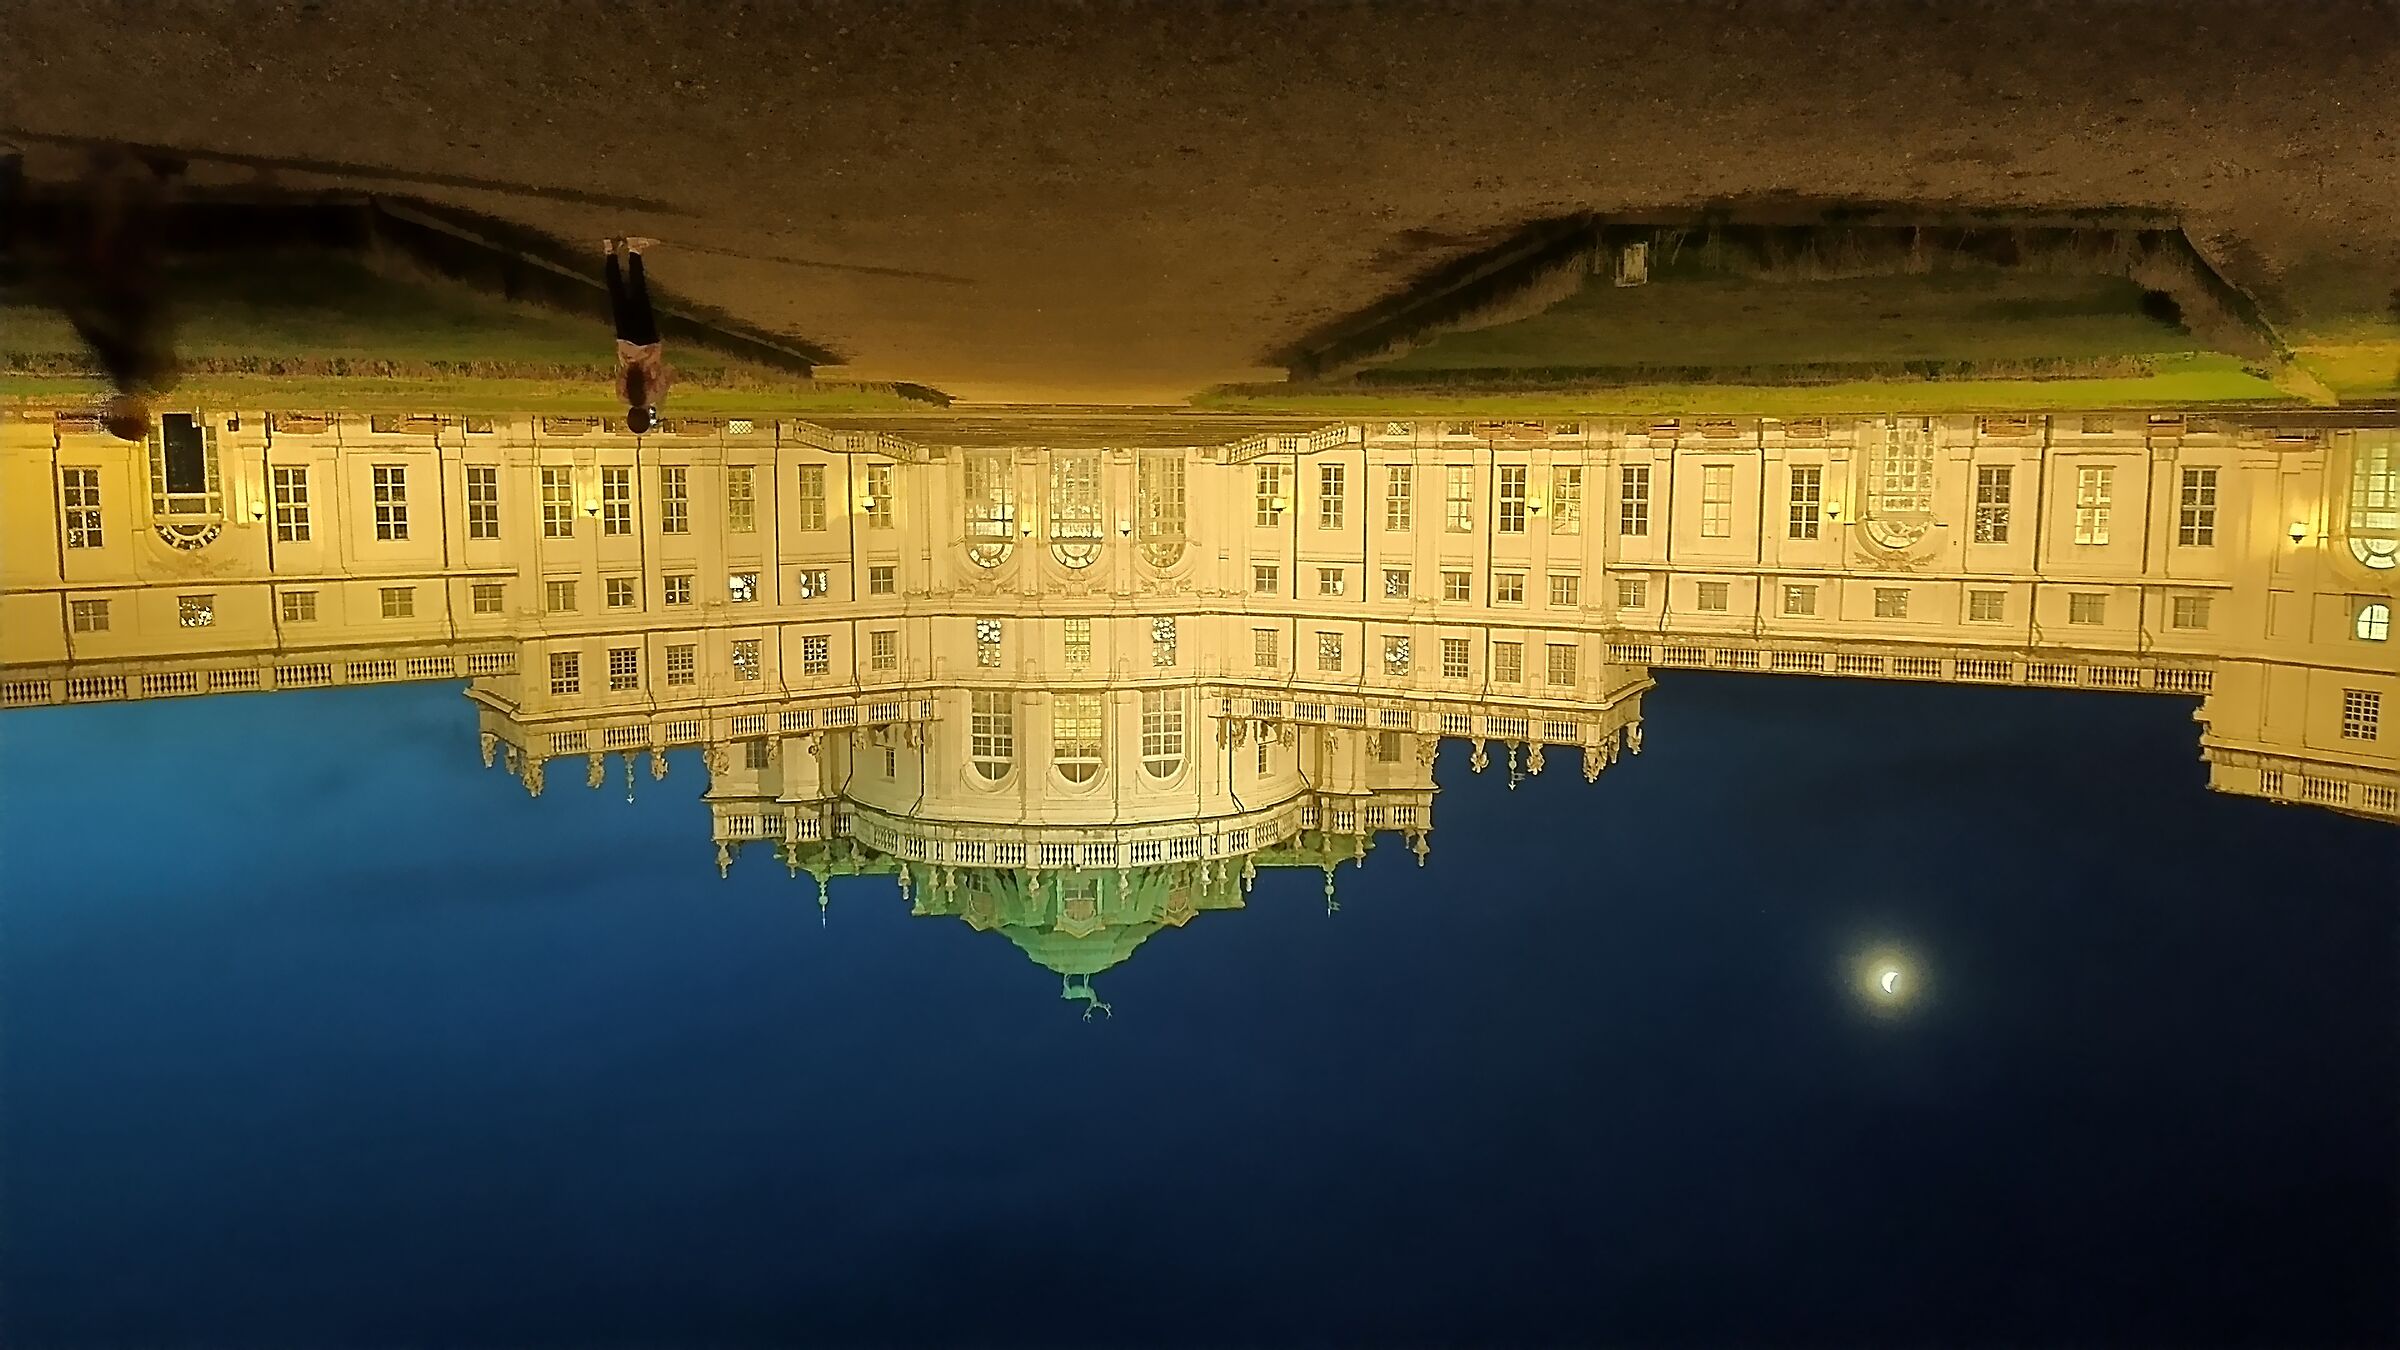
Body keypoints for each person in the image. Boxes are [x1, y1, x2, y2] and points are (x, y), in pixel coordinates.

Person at [62, 150, 178, 441]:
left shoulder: (160, 383)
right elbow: (102, 337)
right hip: (120, 294)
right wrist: (74, 310)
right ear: (126, 414)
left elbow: (164, 332)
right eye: (112, 415)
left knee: (144, 232)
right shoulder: (127, 378)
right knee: (114, 229)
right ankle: (107, 172)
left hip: (142, 293)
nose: (107, 408)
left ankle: (159, 178)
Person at [603, 236, 668, 433]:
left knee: (640, 294)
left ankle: (635, 251)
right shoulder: (622, 395)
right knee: (618, 296)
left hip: (647, 345)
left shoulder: (652, 395)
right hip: (625, 345)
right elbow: (622, 373)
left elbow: (667, 373)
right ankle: (610, 251)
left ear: (647, 415)